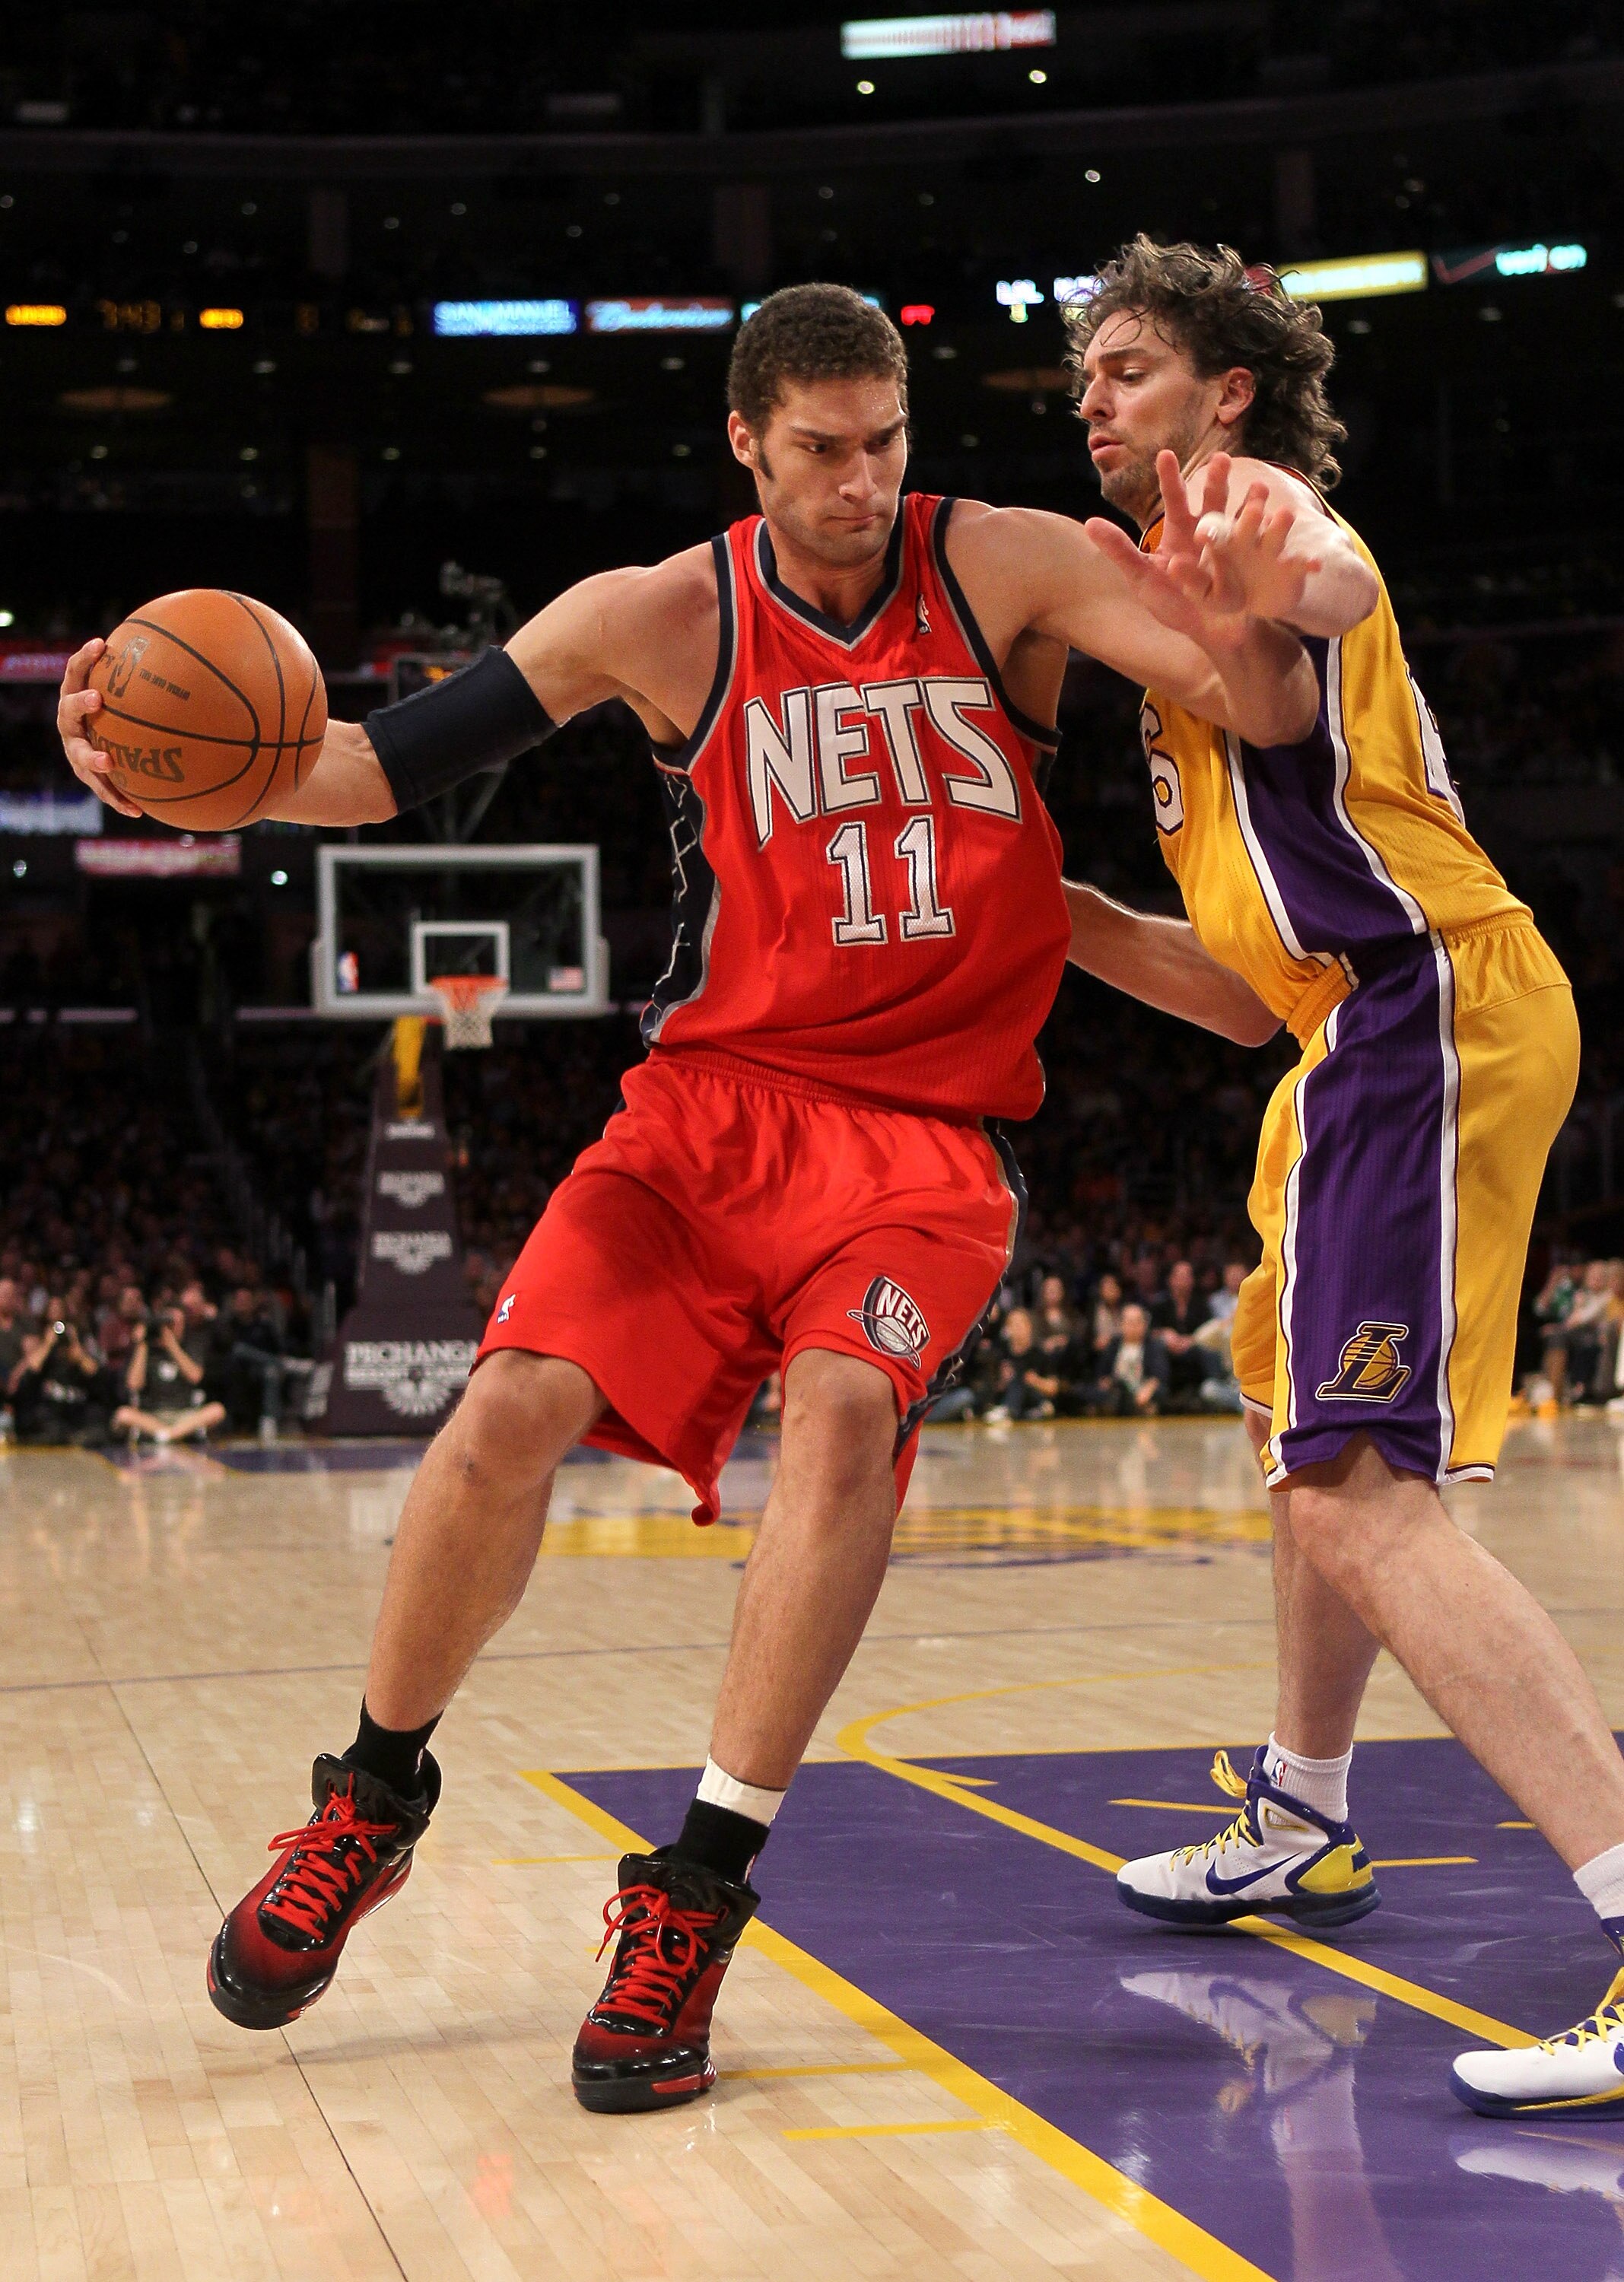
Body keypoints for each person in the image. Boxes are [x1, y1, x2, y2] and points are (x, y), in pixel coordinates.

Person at [61, 281, 1321, 2112]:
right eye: (819, 450)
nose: (860, 482)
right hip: (706, 1115)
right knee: (504, 1410)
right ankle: (369, 1802)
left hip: (922, 1146)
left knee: (839, 1414)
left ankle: (697, 1890)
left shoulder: (1012, 562)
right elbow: (355, 764)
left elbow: (1253, 697)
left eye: (885, 443)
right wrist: (184, 775)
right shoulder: (659, 614)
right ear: (746, 441)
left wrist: (1270, 567)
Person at [1062, 236, 1619, 2116]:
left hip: (1423, 1005)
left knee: (1371, 1497)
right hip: (1338, 1029)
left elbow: (1328, 571)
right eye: (1088, 376)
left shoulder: (1245, 509)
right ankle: (1300, 1813)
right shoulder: (1167, 622)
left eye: (1130, 367)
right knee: (1315, 1469)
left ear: (1224, 391)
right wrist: (1049, 914)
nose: (1096, 399)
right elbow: (1234, 992)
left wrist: (1275, 579)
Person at [113, 1303, 227, 1445]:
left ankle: (168, 1435)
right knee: (123, 1414)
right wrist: (142, 1343)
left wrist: (172, 1345)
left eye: (178, 1323)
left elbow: (195, 1376)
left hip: (185, 1414)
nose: (173, 1327)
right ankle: (170, 1434)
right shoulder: (146, 1350)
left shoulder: (191, 1346)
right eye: (169, 1322)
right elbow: (134, 1384)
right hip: (153, 1415)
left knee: (217, 1410)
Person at [1091, 1302, 1171, 1416]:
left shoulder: (1154, 1345)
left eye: (1137, 1322)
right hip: (1117, 1390)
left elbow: (1160, 1374)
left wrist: (1147, 1390)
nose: (1133, 1326)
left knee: (1161, 1392)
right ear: (1122, 1324)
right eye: (1129, 1322)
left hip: (1142, 1387)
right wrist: (1105, 1382)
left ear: (1144, 1324)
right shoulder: (1113, 1345)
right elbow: (1102, 1373)